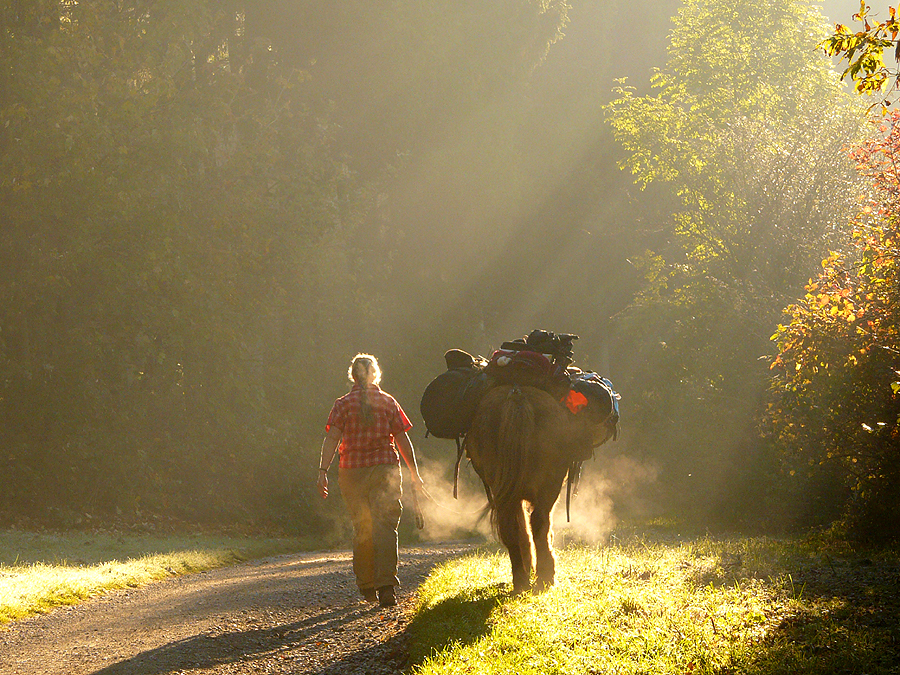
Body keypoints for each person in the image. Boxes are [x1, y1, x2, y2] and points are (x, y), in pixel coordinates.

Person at [317, 353, 425, 607]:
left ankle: (366, 587)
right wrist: (414, 472)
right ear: (375, 374)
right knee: (386, 526)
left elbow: (332, 438)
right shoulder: (388, 402)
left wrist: (322, 470)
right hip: (384, 470)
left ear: (352, 376)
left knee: (362, 526)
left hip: (351, 472)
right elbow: (402, 440)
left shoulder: (342, 404)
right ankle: (386, 586)